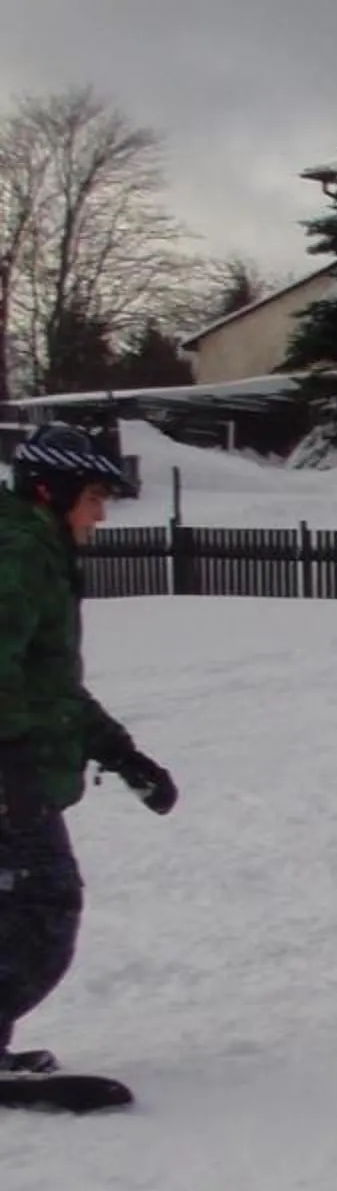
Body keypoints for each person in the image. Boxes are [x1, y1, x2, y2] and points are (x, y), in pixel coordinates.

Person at [0, 425, 179, 1080]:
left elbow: (52, 688)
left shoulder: (37, 553)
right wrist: (12, 764)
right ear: (54, 491)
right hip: (9, 775)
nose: (102, 514)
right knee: (44, 907)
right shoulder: (18, 555)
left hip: (19, 769)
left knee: (21, 907)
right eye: (96, 497)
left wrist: (122, 755)